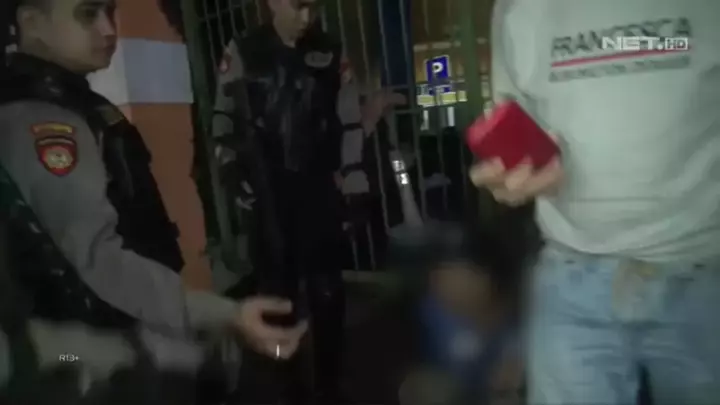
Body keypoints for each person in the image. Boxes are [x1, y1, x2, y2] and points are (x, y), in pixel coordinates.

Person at [0, 0, 308, 399]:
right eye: (87, 14)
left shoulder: (75, 102)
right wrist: (221, 313)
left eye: (110, 12)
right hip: (81, 357)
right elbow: (98, 259)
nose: (108, 29)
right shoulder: (42, 119)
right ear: (32, 22)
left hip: (109, 335)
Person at [471, 1, 720, 404]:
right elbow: (520, 124)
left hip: (704, 272)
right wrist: (520, 176)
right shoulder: (516, 8)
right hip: (570, 272)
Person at [212, 0, 357, 402]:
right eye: (298, 6)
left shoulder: (330, 49)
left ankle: (328, 386)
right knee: (278, 297)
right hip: (268, 191)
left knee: (328, 291)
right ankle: (286, 385)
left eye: (313, 7)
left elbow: (349, 116)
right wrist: (230, 168)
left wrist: (354, 174)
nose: (306, 17)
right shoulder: (244, 49)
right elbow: (224, 116)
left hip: (318, 187)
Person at [397, 223, 524, 405]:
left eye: (457, 276)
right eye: (438, 277)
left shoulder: (523, 324)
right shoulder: (431, 314)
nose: (444, 288)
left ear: (489, 278)